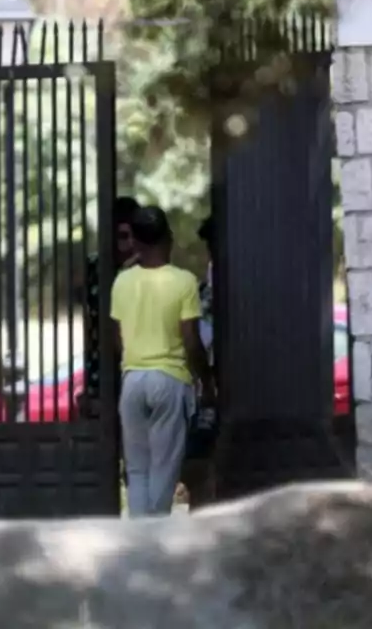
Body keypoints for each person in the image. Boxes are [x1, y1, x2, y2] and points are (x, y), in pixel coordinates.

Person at [110, 206, 213, 517]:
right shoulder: (183, 282)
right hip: (169, 380)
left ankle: (139, 539)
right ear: (168, 239)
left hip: (132, 381)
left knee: (137, 470)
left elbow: (118, 337)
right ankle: (156, 537)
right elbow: (192, 340)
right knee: (164, 469)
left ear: (136, 243)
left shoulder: (122, 282)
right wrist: (206, 382)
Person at [78, 196, 141, 418]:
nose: (130, 243)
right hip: (100, 366)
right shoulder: (95, 267)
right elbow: (88, 322)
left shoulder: (145, 269)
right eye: (123, 236)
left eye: (135, 235)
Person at [180, 215, 218, 509]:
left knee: (202, 467)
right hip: (211, 393)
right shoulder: (204, 291)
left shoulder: (204, 293)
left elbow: (197, 340)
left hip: (209, 392)